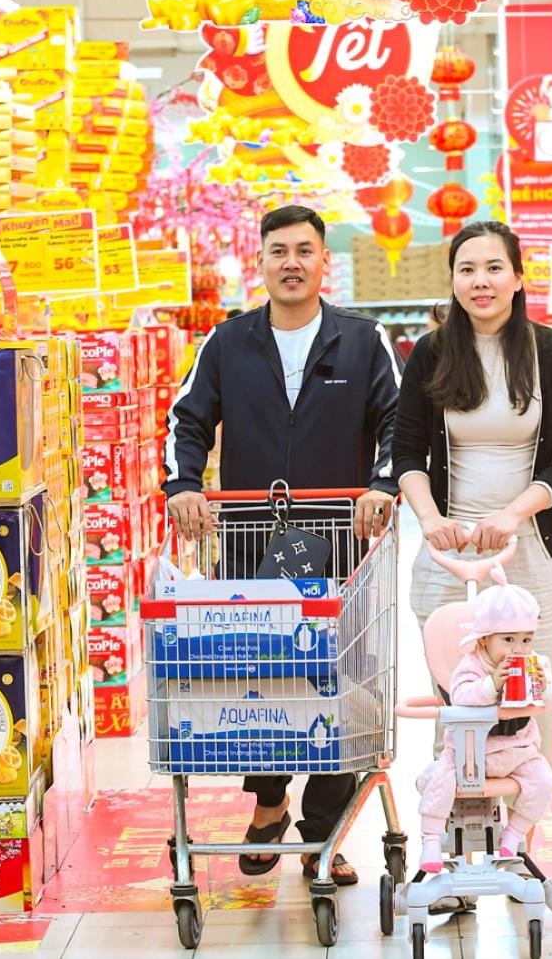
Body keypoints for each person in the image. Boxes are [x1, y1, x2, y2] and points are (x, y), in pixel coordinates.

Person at [162, 204, 401, 887]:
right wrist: (182, 482)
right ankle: (270, 803)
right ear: (260, 262)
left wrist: (383, 483)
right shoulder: (227, 341)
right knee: (261, 678)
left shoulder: (362, 340)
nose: (291, 262)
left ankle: (325, 831)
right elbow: (187, 417)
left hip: (341, 542)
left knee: (345, 679)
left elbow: (396, 419)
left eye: (304, 249)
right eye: (278, 251)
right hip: (248, 544)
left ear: (326, 261)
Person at [393, 220, 552, 765]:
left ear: (519, 278)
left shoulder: (551, 353)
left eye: (494, 267)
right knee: (457, 703)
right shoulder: (431, 354)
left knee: (534, 706)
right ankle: (453, 834)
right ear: (453, 281)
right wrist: (431, 520)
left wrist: (513, 514)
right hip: (448, 556)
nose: (481, 281)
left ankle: (519, 840)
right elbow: (406, 452)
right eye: (467, 269)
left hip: (528, 547)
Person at [414, 553, 552, 872]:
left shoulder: (533, 661)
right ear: (484, 639)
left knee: (543, 780)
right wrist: (492, 684)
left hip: (517, 751)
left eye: (526, 639)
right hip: (468, 753)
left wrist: (543, 686)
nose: (518, 648)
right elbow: (461, 696)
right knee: (441, 783)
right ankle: (430, 842)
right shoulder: (472, 663)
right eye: (508, 639)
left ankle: (513, 835)